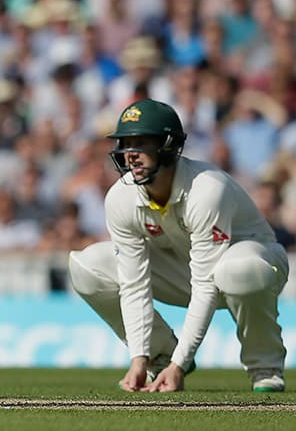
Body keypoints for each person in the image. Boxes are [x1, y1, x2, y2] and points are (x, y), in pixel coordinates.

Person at [69, 99, 288, 393]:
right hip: (184, 272)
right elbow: (133, 285)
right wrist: (139, 357)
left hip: (257, 266)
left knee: (237, 269)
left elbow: (206, 284)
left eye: (141, 143)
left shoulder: (207, 189)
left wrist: (180, 366)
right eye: (126, 143)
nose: (130, 154)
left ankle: (265, 367)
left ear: (169, 145)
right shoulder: (120, 197)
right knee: (88, 266)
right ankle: (160, 355)